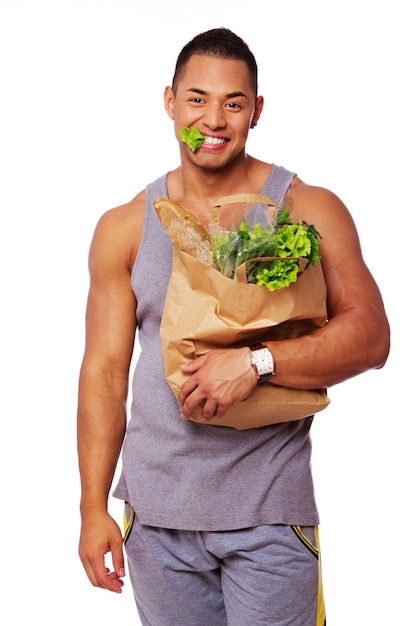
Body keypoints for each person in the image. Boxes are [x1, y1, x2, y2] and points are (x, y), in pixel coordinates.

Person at [77, 27, 390, 625]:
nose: (212, 119)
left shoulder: (307, 207)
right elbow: (105, 371)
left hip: (270, 514)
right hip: (156, 518)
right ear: (170, 101)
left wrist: (256, 362)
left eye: (233, 102)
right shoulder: (123, 227)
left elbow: (373, 337)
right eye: (196, 99)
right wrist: (93, 505)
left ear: (258, 110)